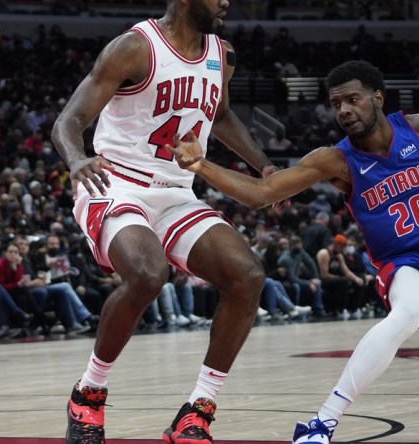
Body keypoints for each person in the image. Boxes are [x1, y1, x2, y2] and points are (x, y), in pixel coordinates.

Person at [165, 60, 419, 442]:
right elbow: (261, 193)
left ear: (377, 97)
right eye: (335, 104)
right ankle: (323, 421)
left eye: (352, 99)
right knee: (410, 308)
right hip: (405, 263)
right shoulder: (335, 161)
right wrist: (201, 166)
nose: (343, 110)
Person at [50, 1, 279, 442]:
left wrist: (264, 166)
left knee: (248, 275)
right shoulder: (134, 48)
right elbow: (69, 120)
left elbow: (222, 115)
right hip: (114, 181)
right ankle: (88, 393)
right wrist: (77, 159)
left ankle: (197, 411)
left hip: (176, 191)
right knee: (147, 273)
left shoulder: (223, 54)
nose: (226, 2)